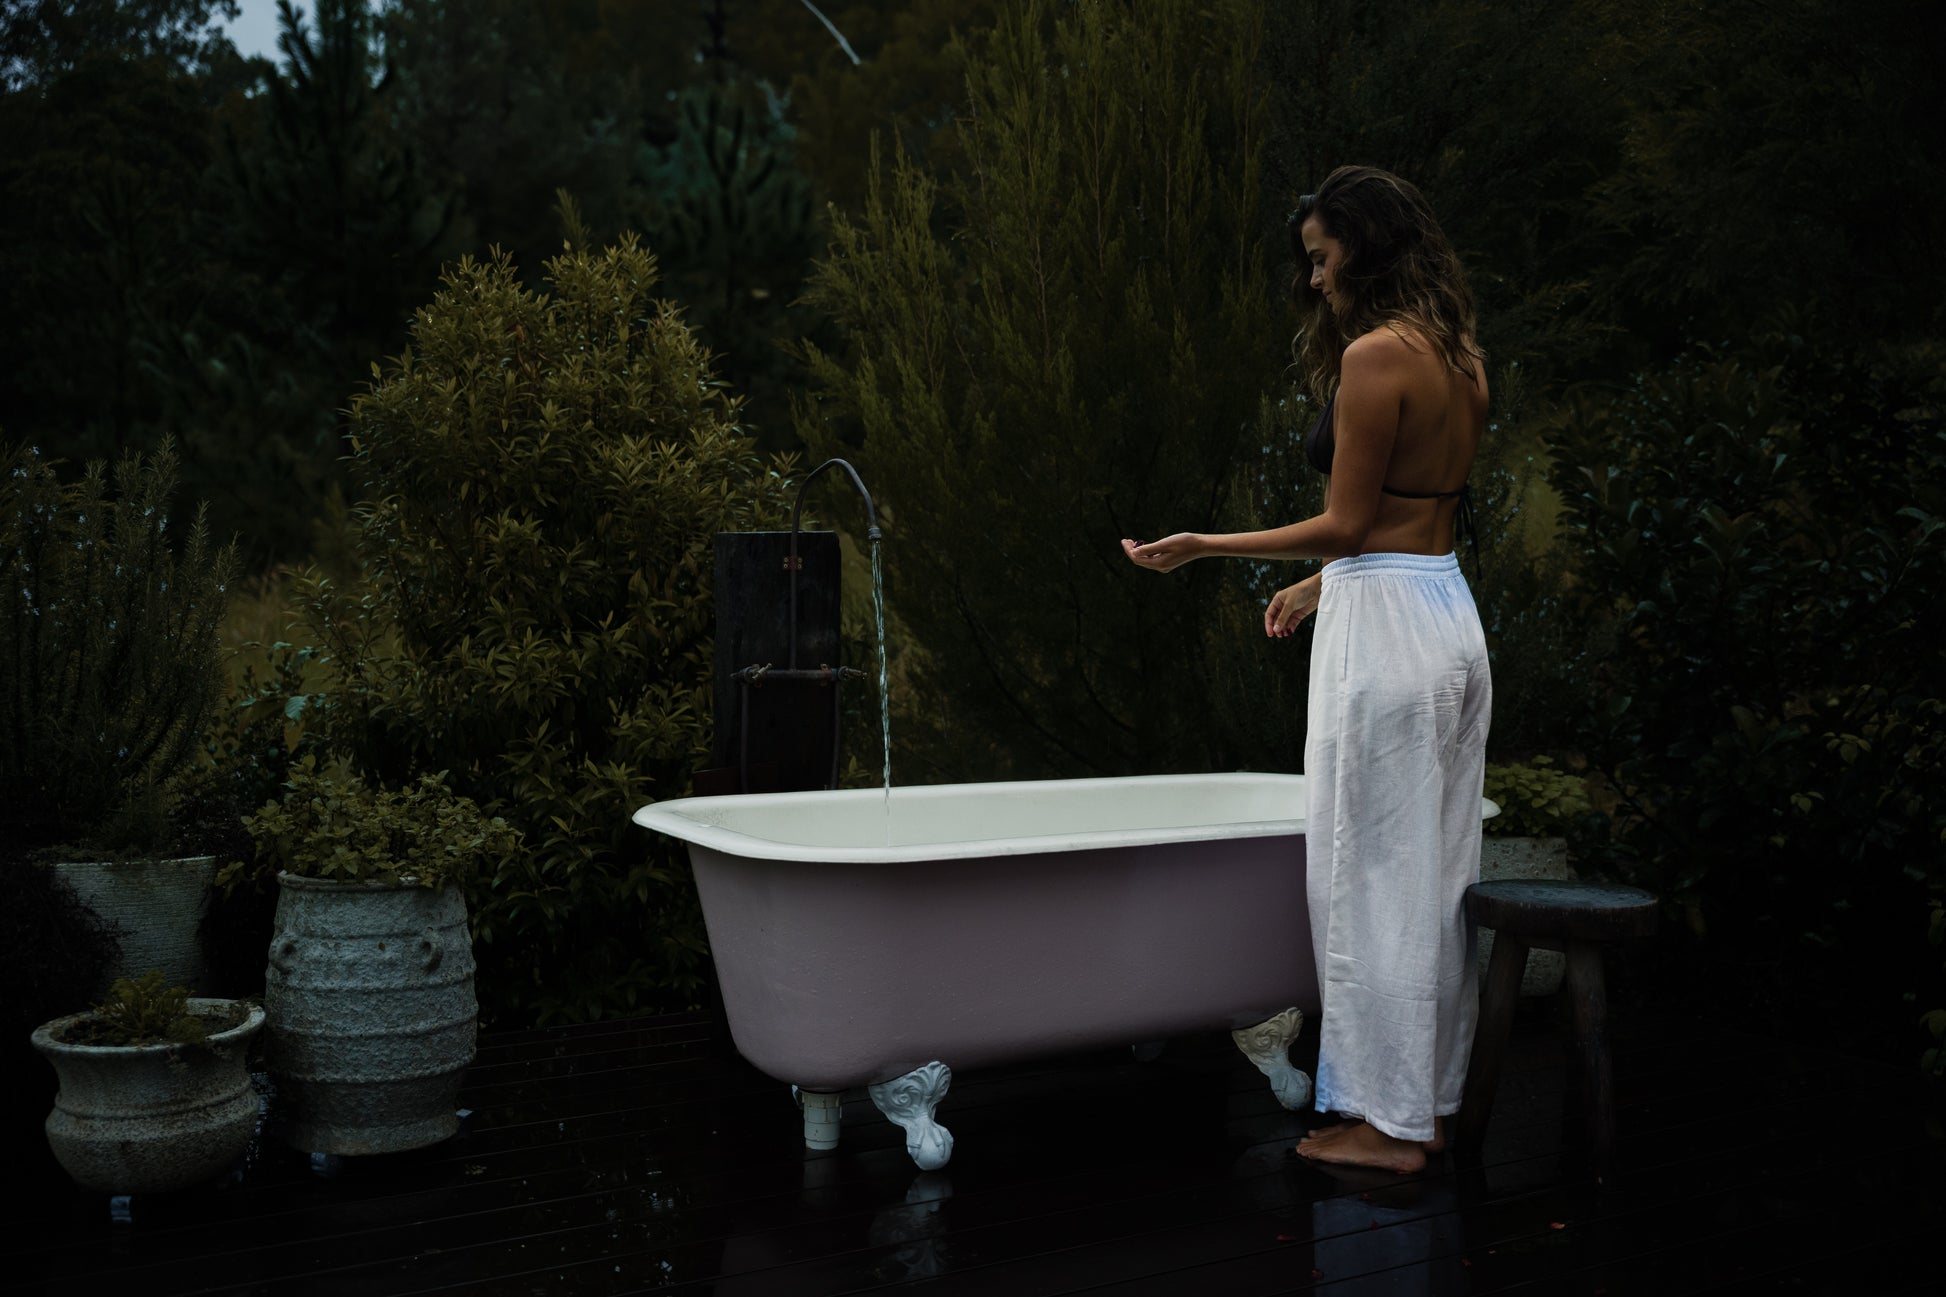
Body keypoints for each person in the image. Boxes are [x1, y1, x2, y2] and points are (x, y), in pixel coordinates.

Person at [1121, 165, 1491, 1174]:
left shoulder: (1374, 358)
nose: (1315, 280)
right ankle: (1425, 1105)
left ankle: (1384, 1127)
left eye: (1322, 258)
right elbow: (1410, 523)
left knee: (1367, 879)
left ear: (1361, 249)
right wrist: (1324, 585)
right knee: (1433, 874)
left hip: (1385, 636)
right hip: (1444, 617)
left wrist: (1202, 543)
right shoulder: (1456, 355)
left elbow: (1344, 522)